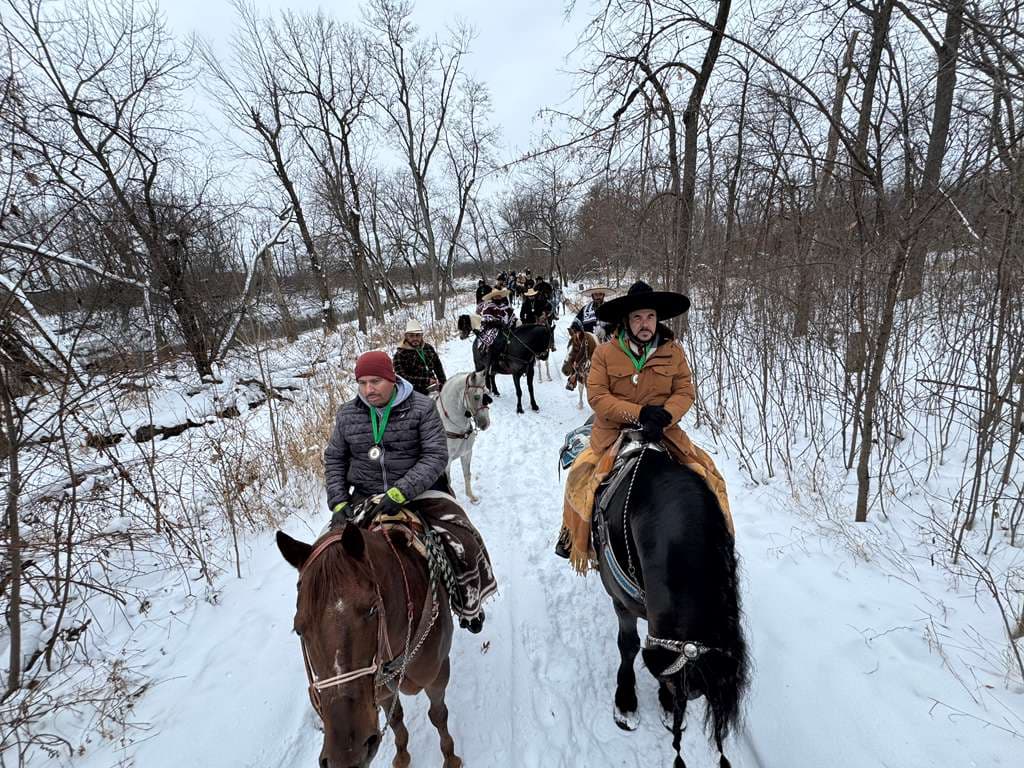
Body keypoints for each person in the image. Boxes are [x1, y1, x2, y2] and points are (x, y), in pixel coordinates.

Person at [557, 281, 733, 570]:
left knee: (711, 478)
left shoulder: (673, 352)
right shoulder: (605, 353)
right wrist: (640, 413)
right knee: (579, 476)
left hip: (664, 432)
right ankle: (574, 538)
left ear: (657, 318)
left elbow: (685, 391)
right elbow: (598, 396)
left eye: (650, 316)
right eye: (637, 317)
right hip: (613, 432)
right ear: (627, 320)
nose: (645, 323)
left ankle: (722, 550)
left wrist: (664, 416)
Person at [324, 351, 495, 631]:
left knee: (462, 540)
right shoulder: (347, 415)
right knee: (324, 556)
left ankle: (469, 602)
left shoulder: (421, 408)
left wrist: (401, 491)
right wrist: (339, 502)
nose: (368, 389)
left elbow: (435, 456)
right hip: (366, 494)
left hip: (420, 491)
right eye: (362, 382)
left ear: (391, 379)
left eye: (375, 381)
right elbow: (334, 459)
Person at [393, 318, 447, 396]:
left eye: (418, 335)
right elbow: (401, 378)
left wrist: (444, 385)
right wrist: (426, 381)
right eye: (411, 336)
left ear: (422, 336)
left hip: (434, 388)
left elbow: (438, 367)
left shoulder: (428, 348)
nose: (415, 338)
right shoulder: (400, 354)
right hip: (413, 393)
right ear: (406, 337)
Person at [477, 287, 515, 374]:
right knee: (494, 341)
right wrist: (496, 323)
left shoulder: (506, 307)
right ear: (492, 297)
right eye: (496, 296)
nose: (498, 297)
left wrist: (513, 323)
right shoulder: (488, 307)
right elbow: (486, 320)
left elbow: (512, 317)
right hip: (492, 329)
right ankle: (491, 364)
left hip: (506, 328)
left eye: (499, 296)